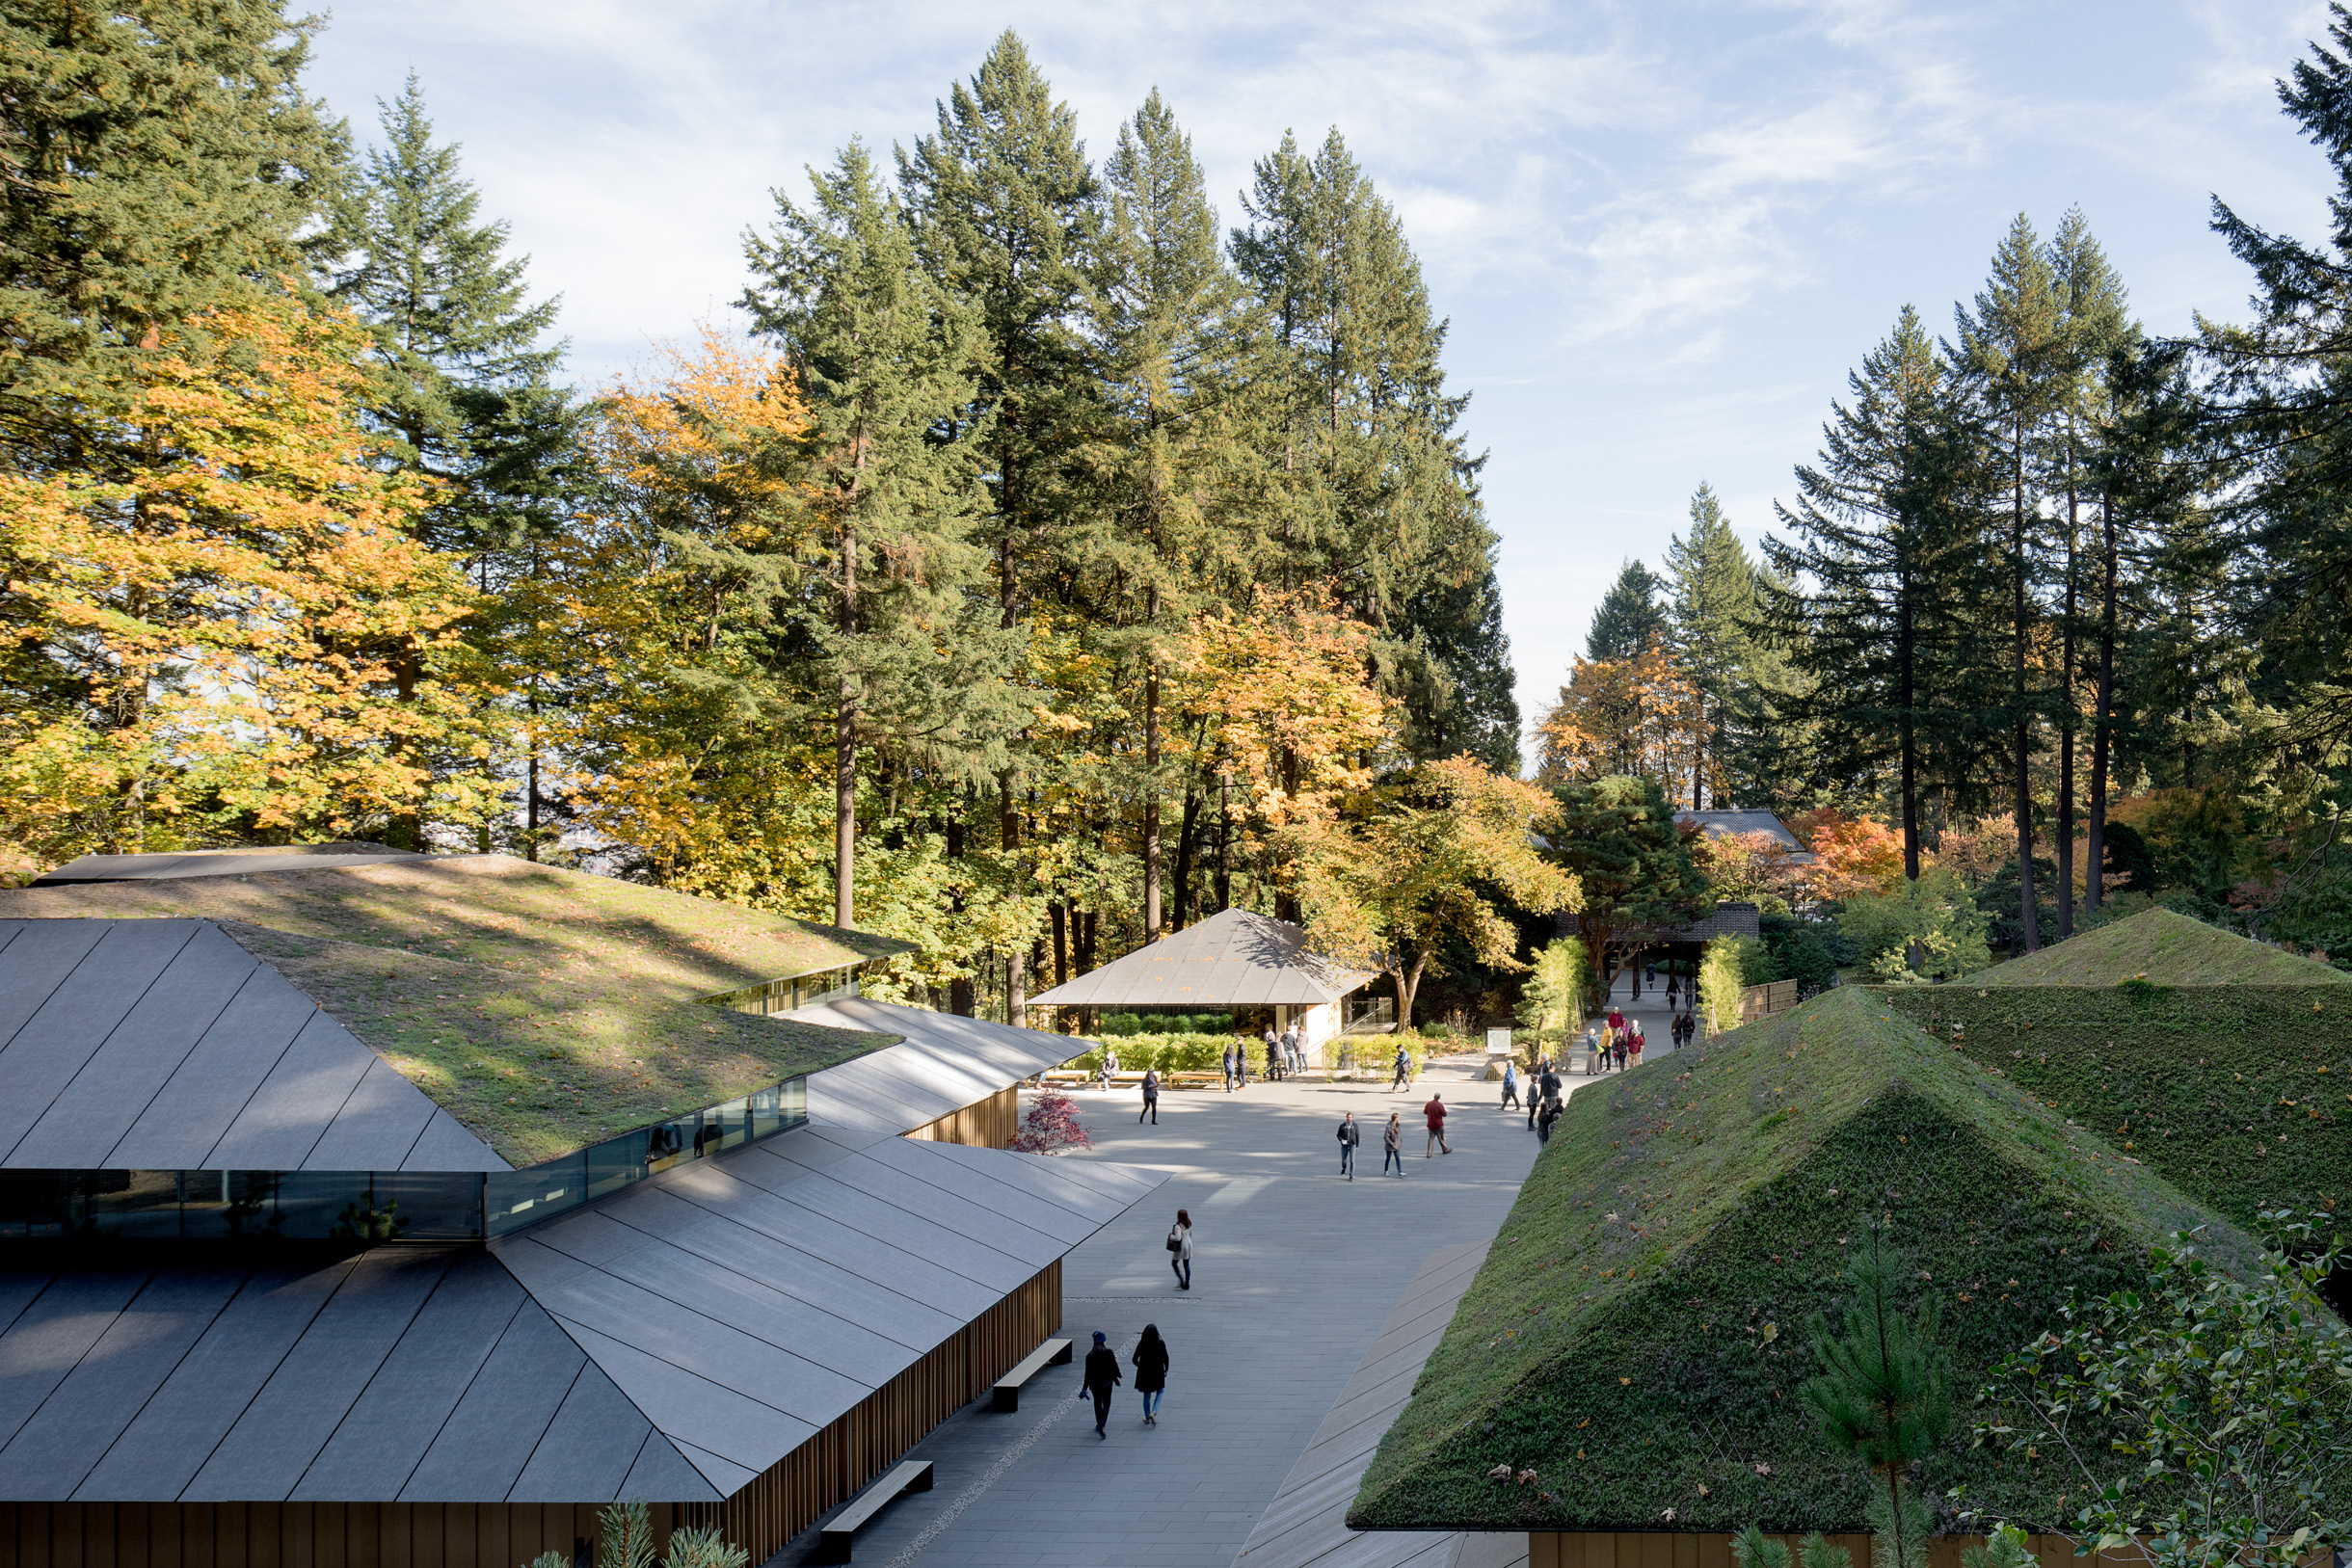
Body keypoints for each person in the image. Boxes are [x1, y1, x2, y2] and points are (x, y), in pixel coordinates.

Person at [1082, 1330, 1122, 1438]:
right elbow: (1114, 1366)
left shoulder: (1089, 1356)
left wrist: (1084, 1388)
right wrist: (1118, 1375)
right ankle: (1101, 1424)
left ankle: (1098, 1422)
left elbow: (1087, 1374)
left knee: (1097, 1403)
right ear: (1103, 1341)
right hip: (1107, 1383)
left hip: (1094, 1385)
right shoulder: (1108, 1352)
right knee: (1107, 1403)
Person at [1133, 1324, 1169, 1426]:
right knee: (1160, 1391)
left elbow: (1134, 1359)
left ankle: (1147, 1416)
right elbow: (1166, 1357)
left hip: (1145, 1373)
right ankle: (1154, 1411)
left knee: (1146, 1395)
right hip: (1157, 1372)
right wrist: (1166, 1369)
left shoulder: (1142, 1343)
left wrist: (1141, 1367)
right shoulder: (1160, 1343)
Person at [1167, 1209, 1192, 1290]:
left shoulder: (1178, 1226)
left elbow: (1178, 1238)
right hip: (1188, 1244)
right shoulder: (1189, 1223)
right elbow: (1191, 1234)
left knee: (1174, 1263)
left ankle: (1181, 1279)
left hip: (1181, 1246)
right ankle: (1187, 1282)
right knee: (1186, 1264)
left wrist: (1170, 1236)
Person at [1424, 1092, 1450, 1156]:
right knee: (1441, 1138)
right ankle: (1445, 1149)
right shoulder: (1439, 1105)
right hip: (1438, 1124)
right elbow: (1444, 1114)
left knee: (1431, 1138)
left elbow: (1425, 1112)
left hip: (1430, 1124)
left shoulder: (1428, 1104)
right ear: (1439, 1097)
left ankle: (1429, 1153)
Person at [1336, 1111, 1360, 1180]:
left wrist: (1357, 1146)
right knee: (1344, 1159)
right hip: (1344, 1145)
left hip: (1353, 1145)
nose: (1349, 1118)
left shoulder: (1355, 1126)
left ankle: (1351, 1175)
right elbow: (1338, 1135)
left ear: (1352, 1118)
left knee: (1352, 1160)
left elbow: (1357, 1136)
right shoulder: (1342, 1126)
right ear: (1346, 1117)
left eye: (1350, 1117)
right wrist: (1341, 1140)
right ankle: (1344, 1168)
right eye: (1348, 1117)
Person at [1381, 1111, 1404, 1176]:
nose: (1399, 1118)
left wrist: (1400, 1141)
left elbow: (1399, 1135)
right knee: (1388, 1158)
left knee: (1397, 1158)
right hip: (1390, 1146)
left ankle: (1400, 1171)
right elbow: (1386, 1137)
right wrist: (1392, 1144)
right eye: (1398, 1117)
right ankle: (1386, 1171)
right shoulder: (1389, 1126)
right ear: (1395, 1118)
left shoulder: (1398, 1126)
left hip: (1397, 1146)